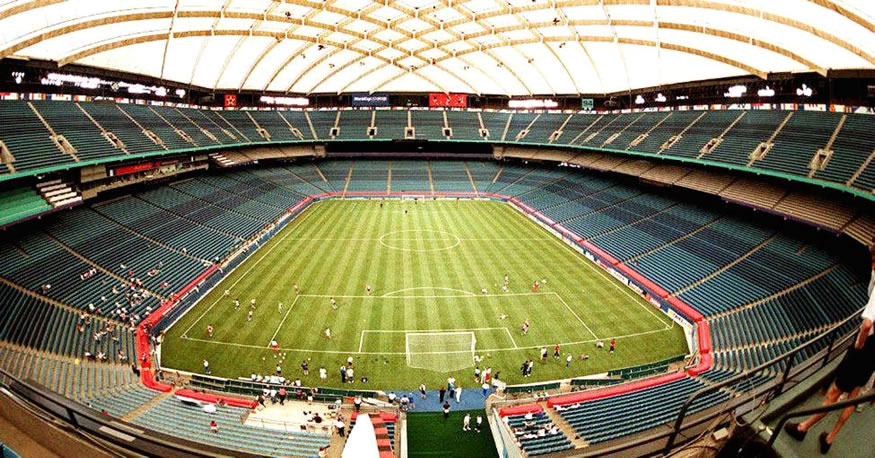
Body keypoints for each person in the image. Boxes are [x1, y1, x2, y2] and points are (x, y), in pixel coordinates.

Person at [784, 283, 875, 453]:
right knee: (853, 396)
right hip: (872, 357)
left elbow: (867, 325)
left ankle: (802, 428)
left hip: (863, 350)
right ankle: (829, 438)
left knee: (834, 393)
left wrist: (858, 346)